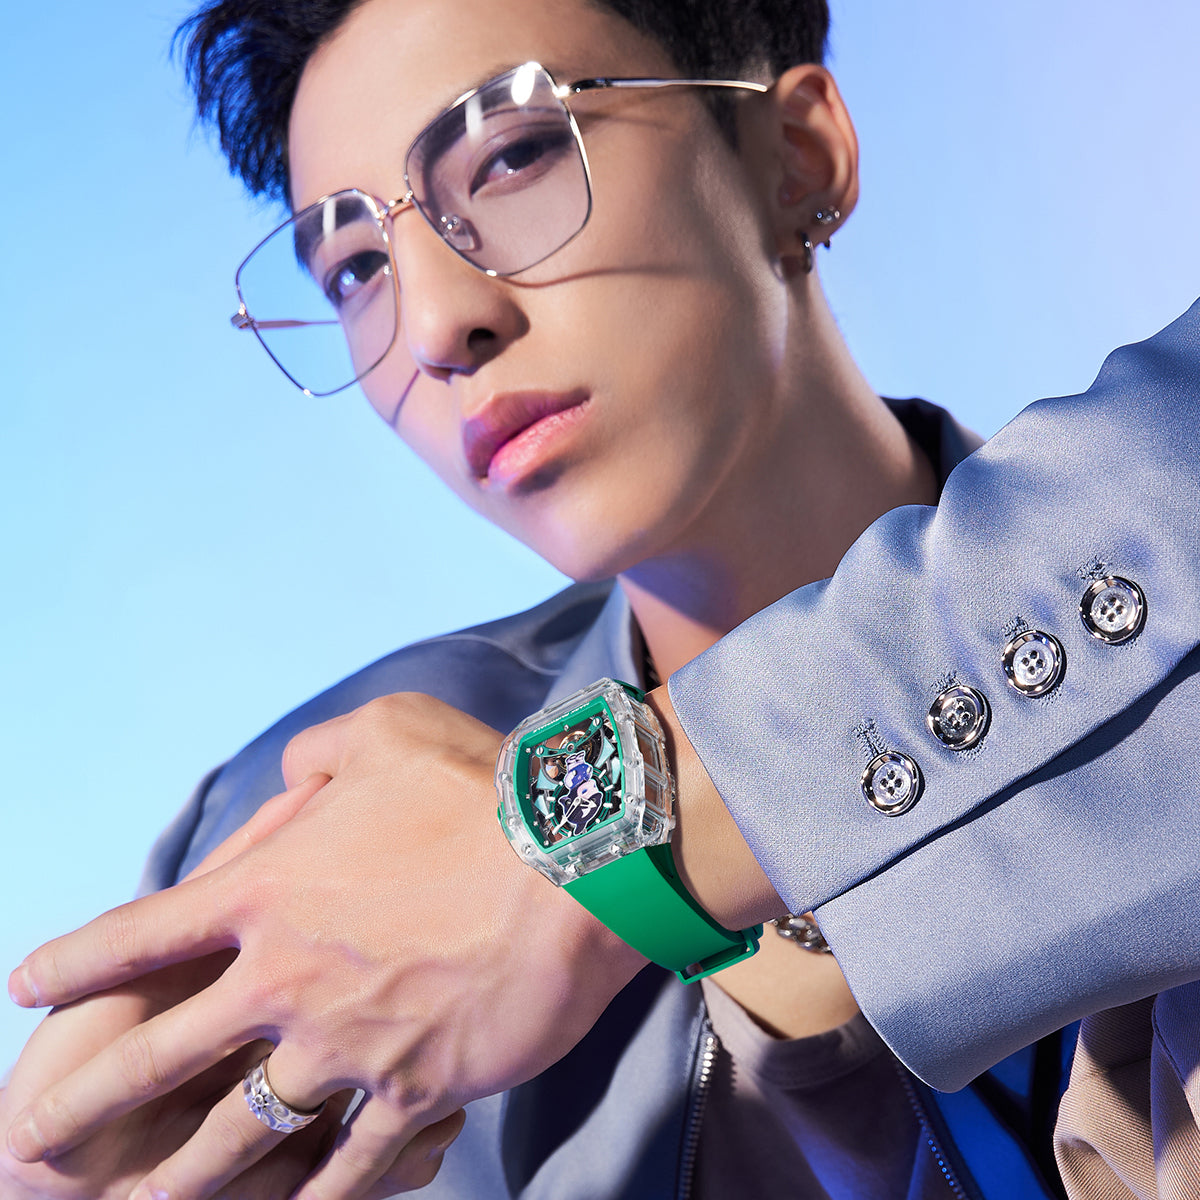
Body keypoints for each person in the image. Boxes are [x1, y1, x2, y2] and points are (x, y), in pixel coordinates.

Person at [2, 0, 1199, 1197]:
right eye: (357, 267)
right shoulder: (300, 846)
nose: (437, 324)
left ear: (797, 159)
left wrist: (588, 855)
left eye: (513, 156)